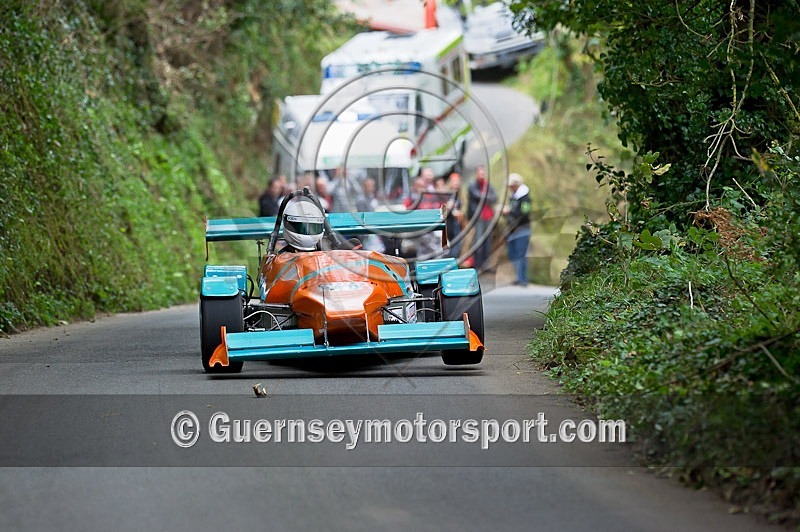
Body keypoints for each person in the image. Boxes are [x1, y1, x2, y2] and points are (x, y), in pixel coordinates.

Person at [502, 173, 532, 286]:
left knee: (521, 253)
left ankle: (523, 278)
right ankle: (517, 276)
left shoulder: (525, 198)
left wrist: (509, 211)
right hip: (511, 229)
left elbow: (524, 213)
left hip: (522, 229)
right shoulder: (512, 196)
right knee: (512, 253)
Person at [466, 165, 497, 271]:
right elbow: (477, 196)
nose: (482, 175)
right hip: (478, 216)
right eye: (480, 173)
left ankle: (485, 264)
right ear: (476, 174)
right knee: (478, 241)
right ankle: (477, 264)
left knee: (487, 241)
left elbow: (494, 197)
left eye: (483, 173)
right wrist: (487, 197)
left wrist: (485, 197)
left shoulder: (488, 185)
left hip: (488, 217)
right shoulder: (472, 185)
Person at [445, 172, 464, 260]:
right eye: (454, 181)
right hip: (448, 222)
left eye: (458, 182)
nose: (456, 184)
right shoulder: (446, 194)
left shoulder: (459, 195)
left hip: (456, 222)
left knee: (457, 243)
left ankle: (454, 260)